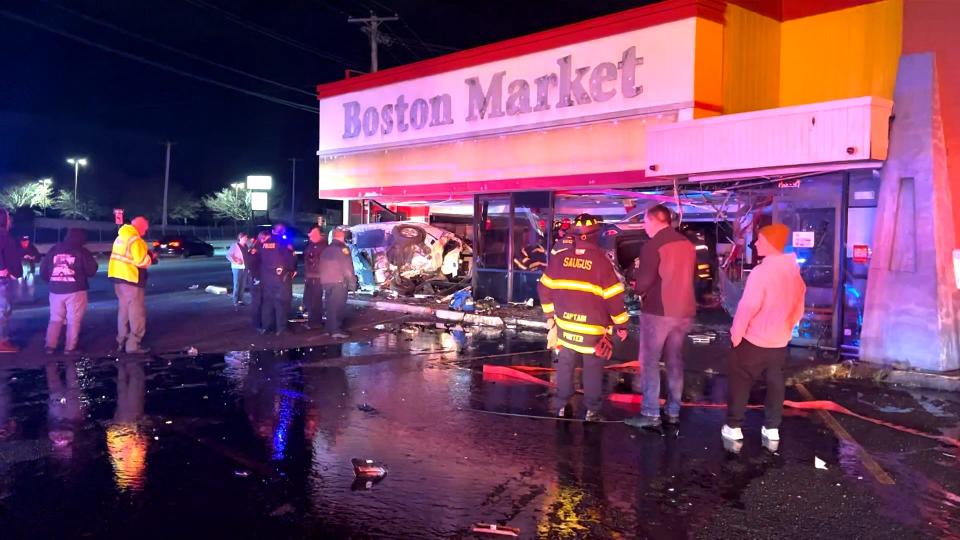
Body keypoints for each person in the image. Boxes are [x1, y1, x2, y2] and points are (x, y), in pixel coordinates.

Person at [537, 213, 629, 422]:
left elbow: (544, 288)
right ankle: (592, 411)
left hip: (565, 329)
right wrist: (622, 325)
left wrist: (550, 315)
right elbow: (614, 298)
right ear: (596, 235)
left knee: (565, 366)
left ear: (575, 235)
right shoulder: (602, 262)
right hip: (592, 332)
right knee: (592, 370)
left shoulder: (559, 258)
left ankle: (562, 405)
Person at [722, 224, 806, 444]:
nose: (756, 243)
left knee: (741, 382)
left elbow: (748, 307)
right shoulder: (794, 272)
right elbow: (799, 308)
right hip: (779, 343)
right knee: (775, 385)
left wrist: (736, 335)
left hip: (754, 341)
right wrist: (786, 329)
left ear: (770, 243)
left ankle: (734, 426)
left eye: (759, 240)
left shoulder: (762, 272)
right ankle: (771, 428)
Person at [625, 204, 696, 430]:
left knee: (650, 361)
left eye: (645, 222)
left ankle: (650, 413)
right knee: (675, 360)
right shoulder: (687, 244)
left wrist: (635, 288)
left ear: (655, 220)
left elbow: (644, 282)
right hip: (685, 311)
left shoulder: (652, 245)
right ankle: (673, 410)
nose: (644, 227)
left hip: (659, 311)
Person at [40, 228, 98, 355]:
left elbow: (43, 270)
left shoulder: (54, 249)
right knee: (73, 320)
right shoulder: (82, 251)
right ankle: (70, 348)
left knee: (55, 318)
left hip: (55, 290)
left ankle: (50, 346)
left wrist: (53, 282)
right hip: (75, 290)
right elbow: (91, 270)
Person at [107, 216, 156, 354]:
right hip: (131, 279)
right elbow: (141, 261)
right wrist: (150, 258)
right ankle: (133, 345)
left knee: (123, 311)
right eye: (145, 229)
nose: (145, 232)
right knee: (136, 313)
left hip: (118, 278)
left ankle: (121, 341)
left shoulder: (121, 237)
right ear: (140, 227)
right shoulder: (135, 240)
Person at [318, 227, 356, 339]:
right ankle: (336, 330)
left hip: (326, 282)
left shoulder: (327, 249)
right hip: (338, 281)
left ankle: (328, 329)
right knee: (337, 306)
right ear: (341, 236)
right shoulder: (342, 248)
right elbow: (347, 267)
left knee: (330, 306)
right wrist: (352, 283)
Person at [258, 225, 297, 336]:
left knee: (268, 303)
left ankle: (267, 327)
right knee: (281, 303)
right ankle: (281, 329)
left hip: (267, 278)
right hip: (281, 278)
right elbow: (289, 260)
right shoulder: (283, 243)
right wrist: (292, 269)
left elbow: (259, 260)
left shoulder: (264, 244)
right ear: (283, 232)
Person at [0, 209, 22, 353]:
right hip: (1, 279)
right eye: (8, 217)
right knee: (3, 310)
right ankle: (2, 341)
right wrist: (4, 269)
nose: (10, 220)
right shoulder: (3, 235)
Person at [244, 230, 271, 331]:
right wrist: (256, 278)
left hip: (259, 279)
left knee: (261, 303)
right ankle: (257, 324)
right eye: (266, 239)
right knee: (257, 303)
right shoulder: (257, 249)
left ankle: (261, 323)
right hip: (256, 280)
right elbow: (252, 264)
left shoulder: (258, 248)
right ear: (262, 238)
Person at [302, 225, 327, 330]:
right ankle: (312, 321)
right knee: (308, 300)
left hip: (318, 277)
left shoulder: (323, 246)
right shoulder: (310, 245)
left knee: (315, 301)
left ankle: (316, 322)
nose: (310, 237)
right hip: (310, 277)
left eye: (312, 234)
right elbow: (307, 260)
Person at [227, 232, 249, 306]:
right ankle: (235, 301)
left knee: (242, 285)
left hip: (245, 268)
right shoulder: (235, 246)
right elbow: (228, 255)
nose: (246, 239)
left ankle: (240, 300)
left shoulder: (246, 246)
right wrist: (236, 260)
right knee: (237, 284)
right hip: (237, 268)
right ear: (240, 238)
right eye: (245, 237)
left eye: (246, 237)